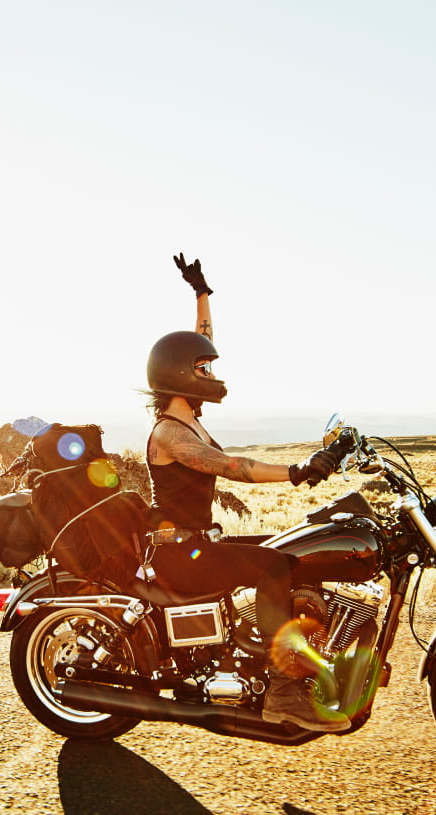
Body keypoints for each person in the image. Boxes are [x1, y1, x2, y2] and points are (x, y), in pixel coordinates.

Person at [145, 252, 348, 733]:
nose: (212, 374)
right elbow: (233, 467)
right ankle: (283, 690)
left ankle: (295, 651)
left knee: (290, 552)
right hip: (180, 553)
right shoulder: (170, 434)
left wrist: (202, 295)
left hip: (201, 542)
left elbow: (202, 342)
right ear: (180, 374)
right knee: (273, 565)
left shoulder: (188, 416)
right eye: (203, 370)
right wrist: (298, 472)